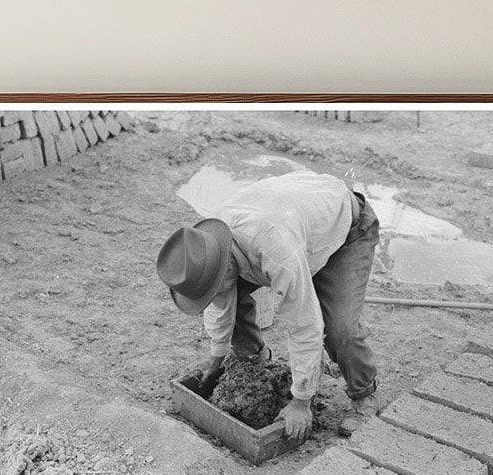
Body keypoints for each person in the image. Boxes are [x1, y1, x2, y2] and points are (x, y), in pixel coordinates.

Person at [156, 170, 380, 440]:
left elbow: (305, 326)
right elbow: (220, 302)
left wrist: (300, 401)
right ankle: (252, 360)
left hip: (347, 230)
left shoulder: (275, 251)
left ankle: (364, 392)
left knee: (339, 329)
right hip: (298, 228)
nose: (213, 298)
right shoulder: (207, 249)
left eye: (213, 289)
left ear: (225, 265)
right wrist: (216, 356)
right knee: (232, 294)